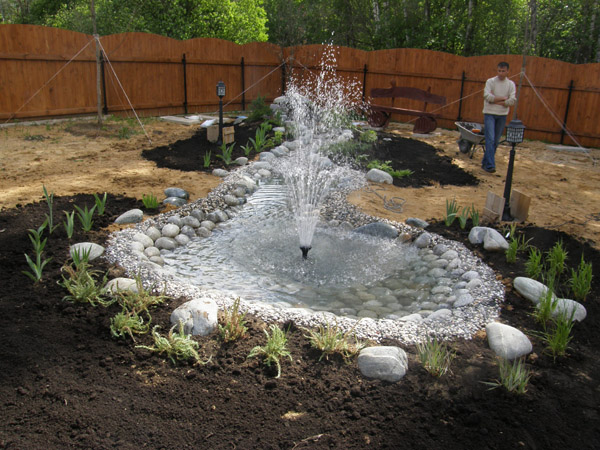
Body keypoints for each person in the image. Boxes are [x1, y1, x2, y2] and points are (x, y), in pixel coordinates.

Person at [481, 62, 516, 173]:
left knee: (496, 141)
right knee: (490, 139)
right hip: (489, 113)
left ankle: (485, 162)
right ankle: (490, 165)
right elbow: (487, 96)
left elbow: (512, 100)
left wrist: (495, 100)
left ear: (507, 71)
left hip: (502, 115)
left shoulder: (510, 84)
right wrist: (503, 99)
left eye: (503, 71)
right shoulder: (490, 81)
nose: (500, 73)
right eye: (499, 71)